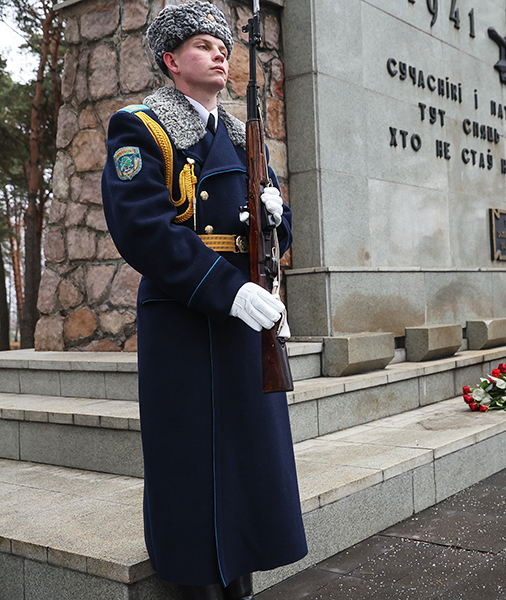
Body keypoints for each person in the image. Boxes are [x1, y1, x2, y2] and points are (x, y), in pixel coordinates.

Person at [101, 3, 307, 599]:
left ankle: (238, 575)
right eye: (201, 44)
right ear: (171, 60)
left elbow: (265, 227)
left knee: (246, 456)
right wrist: (228, 289)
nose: (220, 51)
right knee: (191, 457)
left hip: (246, 316)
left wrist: (278, 221)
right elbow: (146, 229)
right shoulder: (141, 127)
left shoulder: (240, 137)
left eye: (223, 43)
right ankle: (196, 583)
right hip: (188, 316)